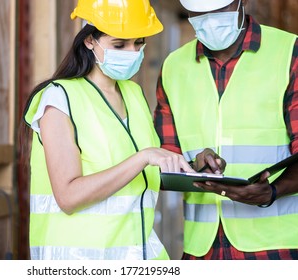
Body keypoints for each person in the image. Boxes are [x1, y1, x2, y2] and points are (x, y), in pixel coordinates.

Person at [22, 0, 196, 260]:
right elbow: (68, 196)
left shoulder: (134, 94)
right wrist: (143, 157)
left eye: (138, 43)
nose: (132, 51)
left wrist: (195, 168)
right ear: (90, 40)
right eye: (119, 44)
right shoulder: (58, 99)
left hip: (139, 255)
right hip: (80, 260)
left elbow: (142, 177)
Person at [154, 0, 298, 259]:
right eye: (199, 12)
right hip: (202, 250)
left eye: (220, 10)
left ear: (242, 3)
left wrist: (274, 190)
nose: (210, 19)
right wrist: (194, 166)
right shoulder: (173, 67)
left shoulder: (290, 52)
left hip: (277, 248)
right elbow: (162, 169)